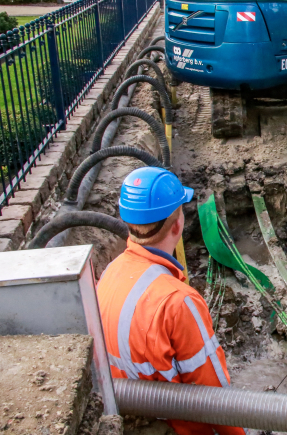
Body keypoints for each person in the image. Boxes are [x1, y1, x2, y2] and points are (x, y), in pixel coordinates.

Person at [97, 167, 246, 435]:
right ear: (178, 224)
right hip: (173, 426)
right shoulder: (179, 302)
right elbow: (213, 394)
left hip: (121, 414)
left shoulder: (109, 272)